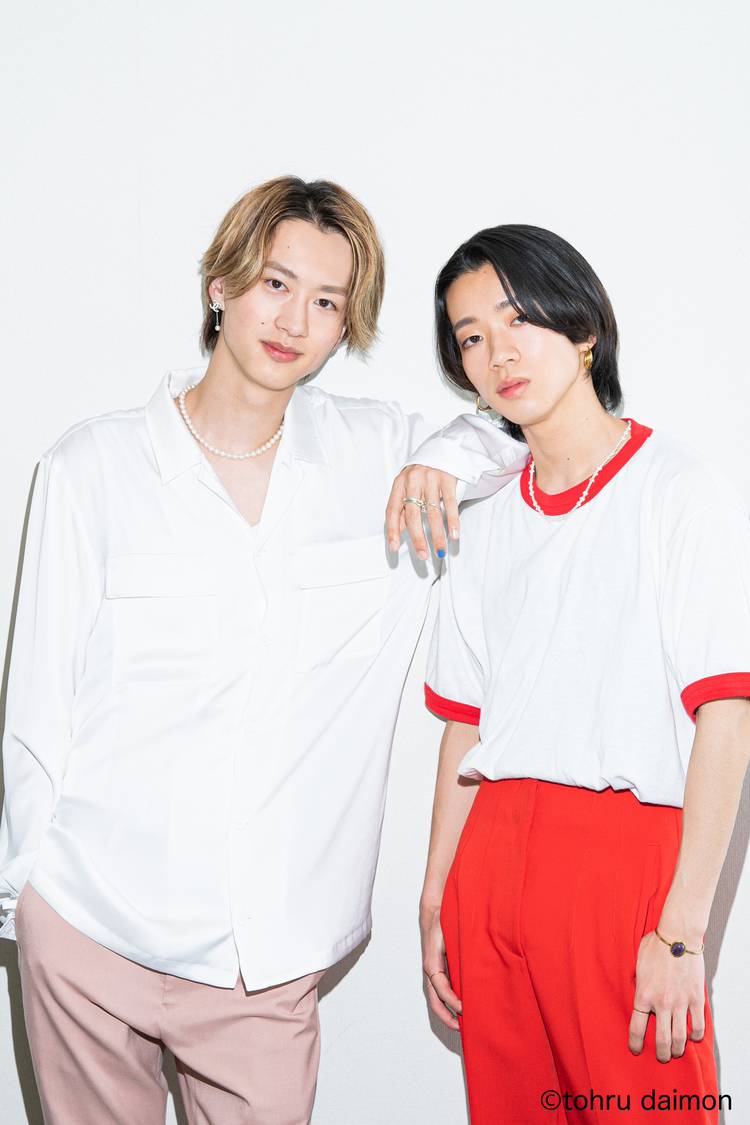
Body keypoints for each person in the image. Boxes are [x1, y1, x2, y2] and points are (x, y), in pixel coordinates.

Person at [0, 177, 529, 1125]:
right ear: (221, 284)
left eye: (326, 301)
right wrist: (27, 900)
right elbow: (36, 706)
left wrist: (441, 459)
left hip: (268, 957)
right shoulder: (92, 469)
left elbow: (515, 438)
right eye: (275, 284)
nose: (293, 321)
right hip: (87, 924)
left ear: (345, 325)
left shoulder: (380, 456)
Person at [401, 224, 750, 1124]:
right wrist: (437, 893)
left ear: (583, 327)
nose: (498, 352)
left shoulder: (679, 492)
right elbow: (465, 724)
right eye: (471, 336)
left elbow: (728, 714)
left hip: (624, 864)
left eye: (517, 318)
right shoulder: (483, 518)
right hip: (492, 861)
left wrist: (682, 929)